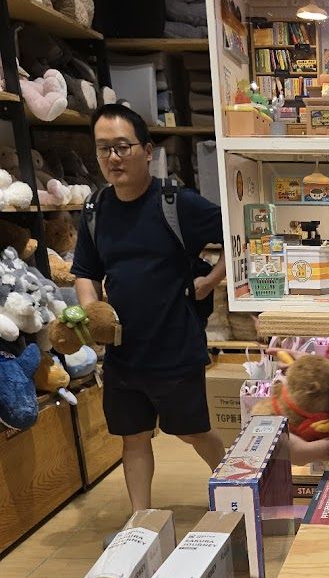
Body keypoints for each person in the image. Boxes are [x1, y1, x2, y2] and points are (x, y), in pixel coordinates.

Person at [72, 102, 227, 514]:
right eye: (103, 148)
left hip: (174, 348)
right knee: (134, 436)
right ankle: (140, 523)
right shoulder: (94, 211)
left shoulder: (178, 204)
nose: (113, 157)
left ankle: (240, 492)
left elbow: (239, 233)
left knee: (194, 432)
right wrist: (92, 311)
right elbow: (84, 271)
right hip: (123, 354)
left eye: (122, 146)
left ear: (147, 150)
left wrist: (210, 280)